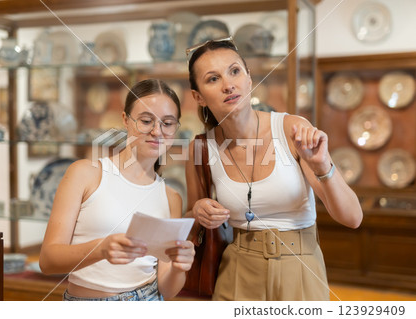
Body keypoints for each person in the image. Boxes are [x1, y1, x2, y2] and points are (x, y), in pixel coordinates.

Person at [184, 38, 363, 301]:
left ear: (249, 78)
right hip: (236, 273)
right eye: (213, 79)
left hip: (300, 268)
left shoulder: (291, 129)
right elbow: (191, 222)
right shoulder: (200, 148)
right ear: (198, 97)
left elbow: (352, 218)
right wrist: (198, 212)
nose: (228, 84)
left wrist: (323, 167)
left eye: (235, 71)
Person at [39, 79, 194, 301]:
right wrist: (101, 249)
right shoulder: (85, 173)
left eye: (167, 123)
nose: (157, 131)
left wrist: (180, 267)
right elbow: (47, 260)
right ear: (125, 120)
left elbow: (167, 290)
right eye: (147, 120)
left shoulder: (172, 198)